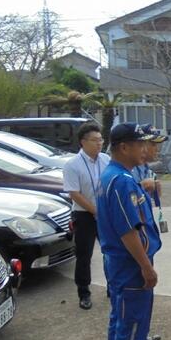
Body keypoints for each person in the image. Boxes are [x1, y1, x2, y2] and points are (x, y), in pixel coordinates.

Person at [97, 124, 162, 340]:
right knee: (132, 324)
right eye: (140, 144)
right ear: (124, 147)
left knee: (121, 321)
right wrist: (146, 266)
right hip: (129, 264)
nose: (145, 149)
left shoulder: (114, 175)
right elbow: (128, 231)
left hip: (120, 263)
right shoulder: (121, 180)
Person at [62, 122, 110, 310]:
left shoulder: (106, 159)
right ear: (83, 142)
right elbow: (74, 193)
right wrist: (95, 211)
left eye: (101, 140)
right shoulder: (72, 165)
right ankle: (84, 292)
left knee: (110, 252)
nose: (99, 144)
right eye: (94, 140)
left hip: (106, 213)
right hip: (84, 215)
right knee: (84, 255)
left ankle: (112, 287)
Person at [130, 124, 168, 340]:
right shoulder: (127, 173)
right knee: (137, 291)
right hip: (137, 242)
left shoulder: (144, 168)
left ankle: (143, 335)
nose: (156, 150)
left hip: (147, 238)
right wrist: (144, 187)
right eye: (153, 144)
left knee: (145, 295)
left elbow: (157, 194)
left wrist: (153, 186)